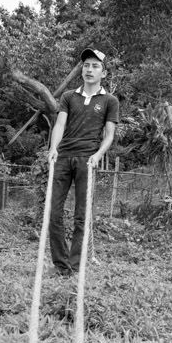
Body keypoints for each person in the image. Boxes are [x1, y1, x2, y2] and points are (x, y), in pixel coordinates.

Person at [47, 47, 119, 276]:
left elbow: (109, 135)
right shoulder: (69, 96)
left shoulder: (110, 100)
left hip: (87, 161)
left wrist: (98, 155)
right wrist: (53, 148)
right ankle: (61, 265)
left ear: (103, 73)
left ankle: (75, 266)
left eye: (95, 66)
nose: (90, 70)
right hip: (63, 158)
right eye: (86, 65)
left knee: (81, 216)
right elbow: (59, 124)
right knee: (53, 212)